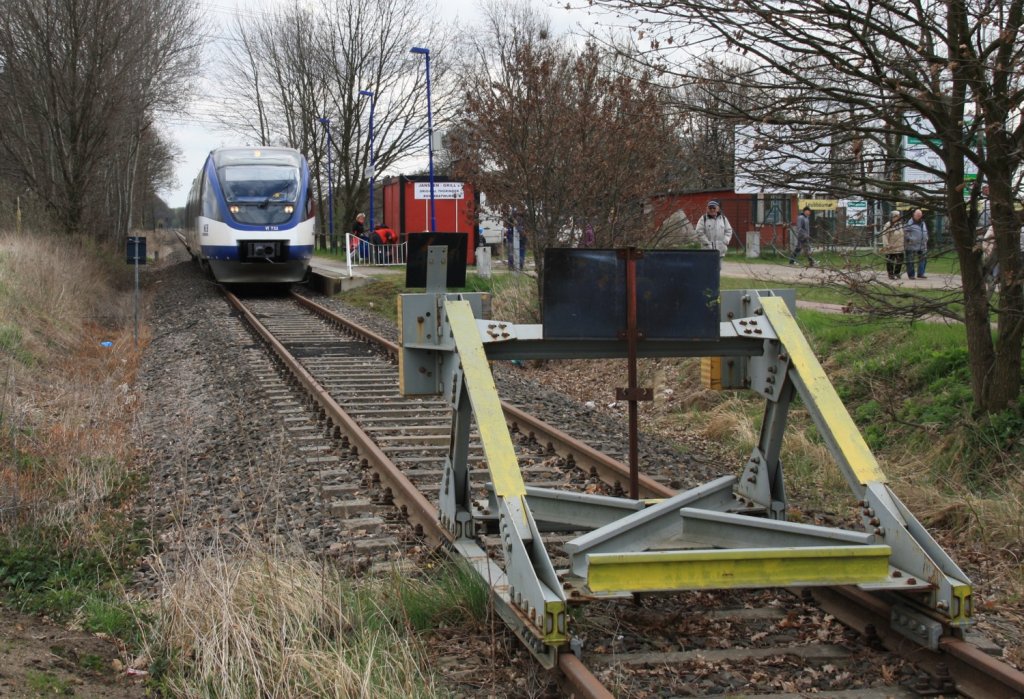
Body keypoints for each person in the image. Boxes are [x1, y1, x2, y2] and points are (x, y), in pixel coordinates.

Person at [904, 209, 929, 279]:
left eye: (920, 215)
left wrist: (926, 238)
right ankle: (911, 275)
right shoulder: (909, 223)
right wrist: (909, 239)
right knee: (910, 260)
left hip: (922, 244)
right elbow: (905, 232)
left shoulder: (923, 223)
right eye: (917, 214)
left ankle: (921, 273)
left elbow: (925, 232)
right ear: (914, 214)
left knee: (923, 259)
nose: (919, 216)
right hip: (911, 245)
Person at [880, 210, 905, 279]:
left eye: (898, 216)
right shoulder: (888, 225)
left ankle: (897, 273)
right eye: (896, 216)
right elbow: (885, 236)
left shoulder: (900, 224)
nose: (898, 218)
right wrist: (887, 245)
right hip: (891, 247)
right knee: (890, 261)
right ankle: (890, 274)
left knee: (900, 261)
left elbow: (902, 234)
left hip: (899, 246)